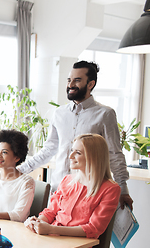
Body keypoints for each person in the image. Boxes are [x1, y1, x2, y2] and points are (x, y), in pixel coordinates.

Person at [18, 60, 133, 210]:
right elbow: (49, 149)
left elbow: (114, 154)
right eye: (69, 80)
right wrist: (20, 170)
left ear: (90, 84)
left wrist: (123, 189)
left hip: (88, 193)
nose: (71, 84)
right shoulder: (59, 113)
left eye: (77, 80)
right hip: (58, 191)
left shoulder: (105, 114)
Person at [24, 134, 120, 248]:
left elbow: (93, 229)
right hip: (50, 245)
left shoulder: (110, 189)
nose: (70, 156)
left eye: (78, 152)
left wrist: (51, 229)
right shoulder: (67, 180)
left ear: (94, 157)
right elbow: (50, 211)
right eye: (72, 150)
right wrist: (38, 222)